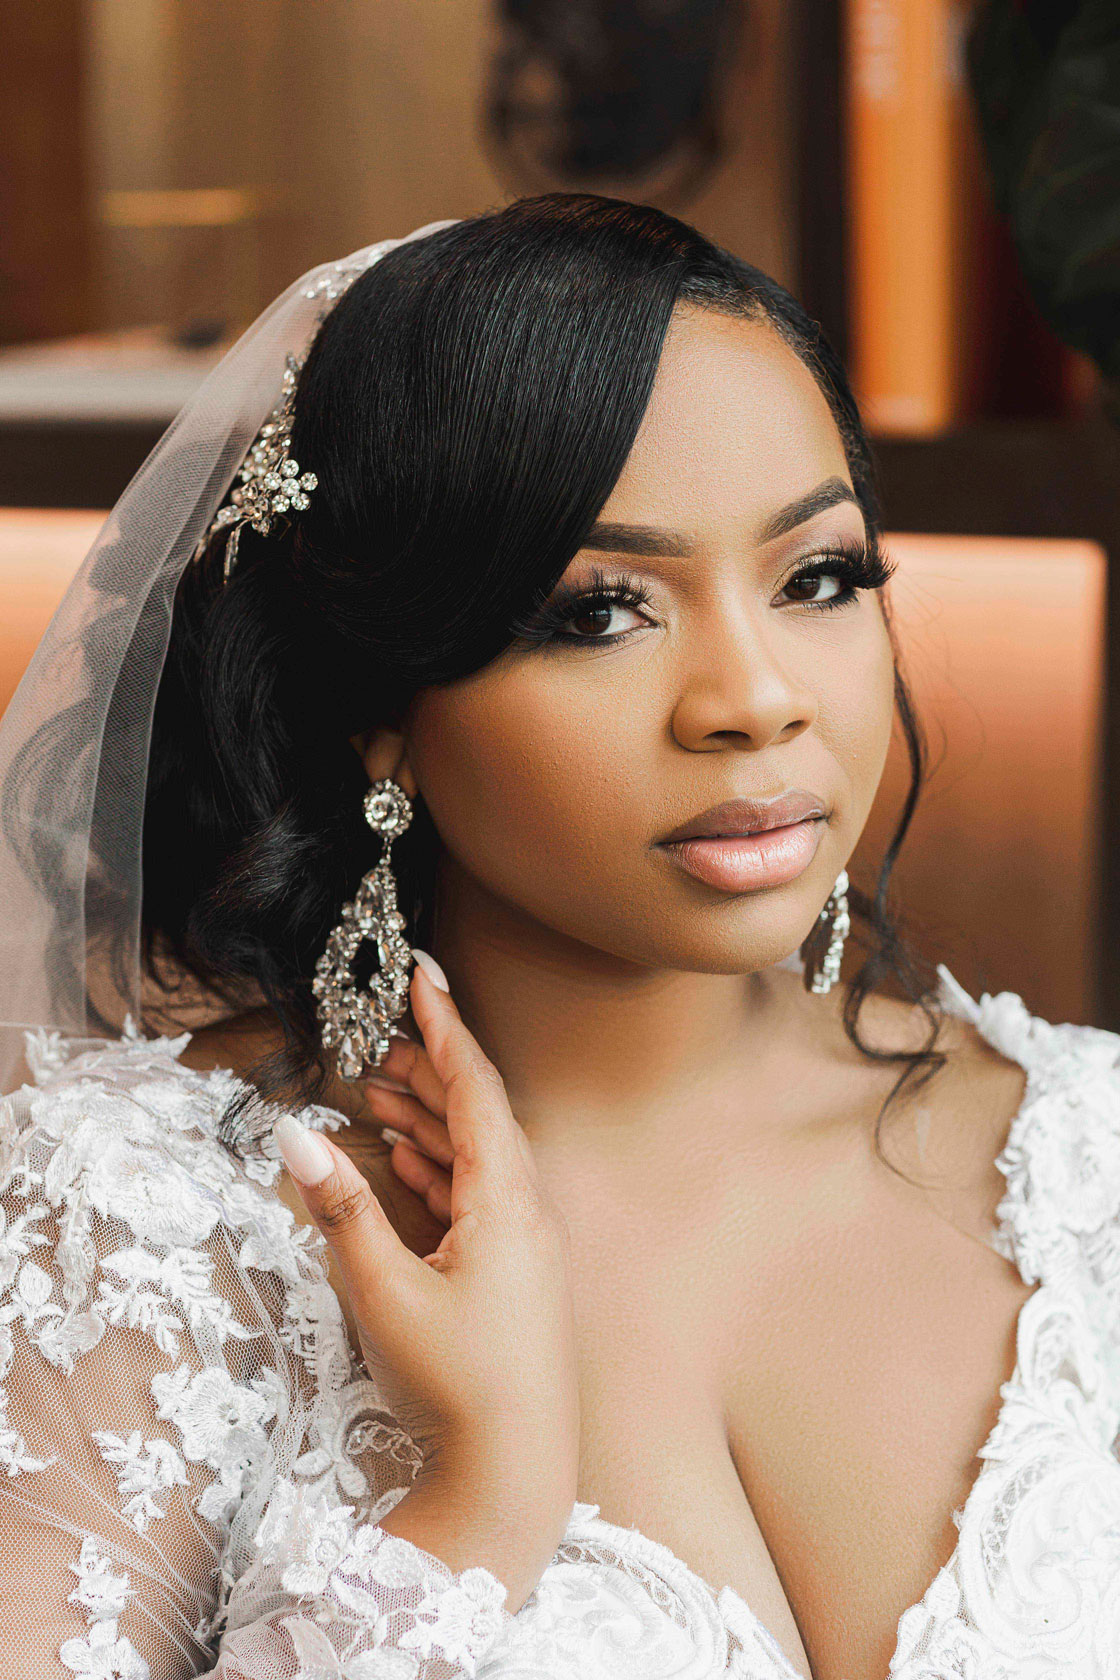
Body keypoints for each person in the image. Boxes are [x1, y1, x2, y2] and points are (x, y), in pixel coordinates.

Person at [0, 195, 1116, 1680]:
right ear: (378, 709)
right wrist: (474, 1505)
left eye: (818, 577)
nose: (755, 697)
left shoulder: (1093, 1157)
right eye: (601, 611)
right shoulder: (144, 1232)